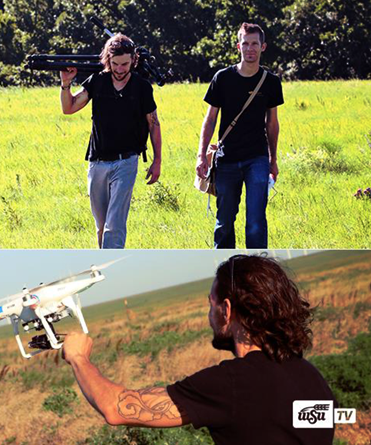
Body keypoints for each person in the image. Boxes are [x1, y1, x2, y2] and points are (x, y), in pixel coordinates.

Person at [61, 254, 334, 444]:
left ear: (226, 310)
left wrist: (78, 357)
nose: (209, 314)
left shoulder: (231, 384)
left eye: (211, 304)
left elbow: (117, 409)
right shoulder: (313, 378)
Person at [60, 33, 162, 249]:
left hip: (126, 161)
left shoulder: (142, 87)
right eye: (115, 64)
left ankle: (114, 270)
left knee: (114, 225)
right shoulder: (98, 81)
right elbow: (68, 108)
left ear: (133, 60)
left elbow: (153, 124)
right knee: (101, 226)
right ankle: (103, 264)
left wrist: (157, 160)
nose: (120, 69)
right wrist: (65, 84)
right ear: (108, 60)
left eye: (125, 64)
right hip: (97, 162)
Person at [196, 23, 283, 248]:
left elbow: (272, 123)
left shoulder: (271, 82)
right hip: (227, 159)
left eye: (255, 43)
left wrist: (273, 160)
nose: (250, 48)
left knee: (255, 221)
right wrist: (201, 155)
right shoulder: (222, 78)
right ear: (238, 46)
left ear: (263, 46)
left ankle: (256, 269)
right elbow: (210, 119)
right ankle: (225, 266)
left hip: (257, 158)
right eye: (245, 43)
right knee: (224, 221)